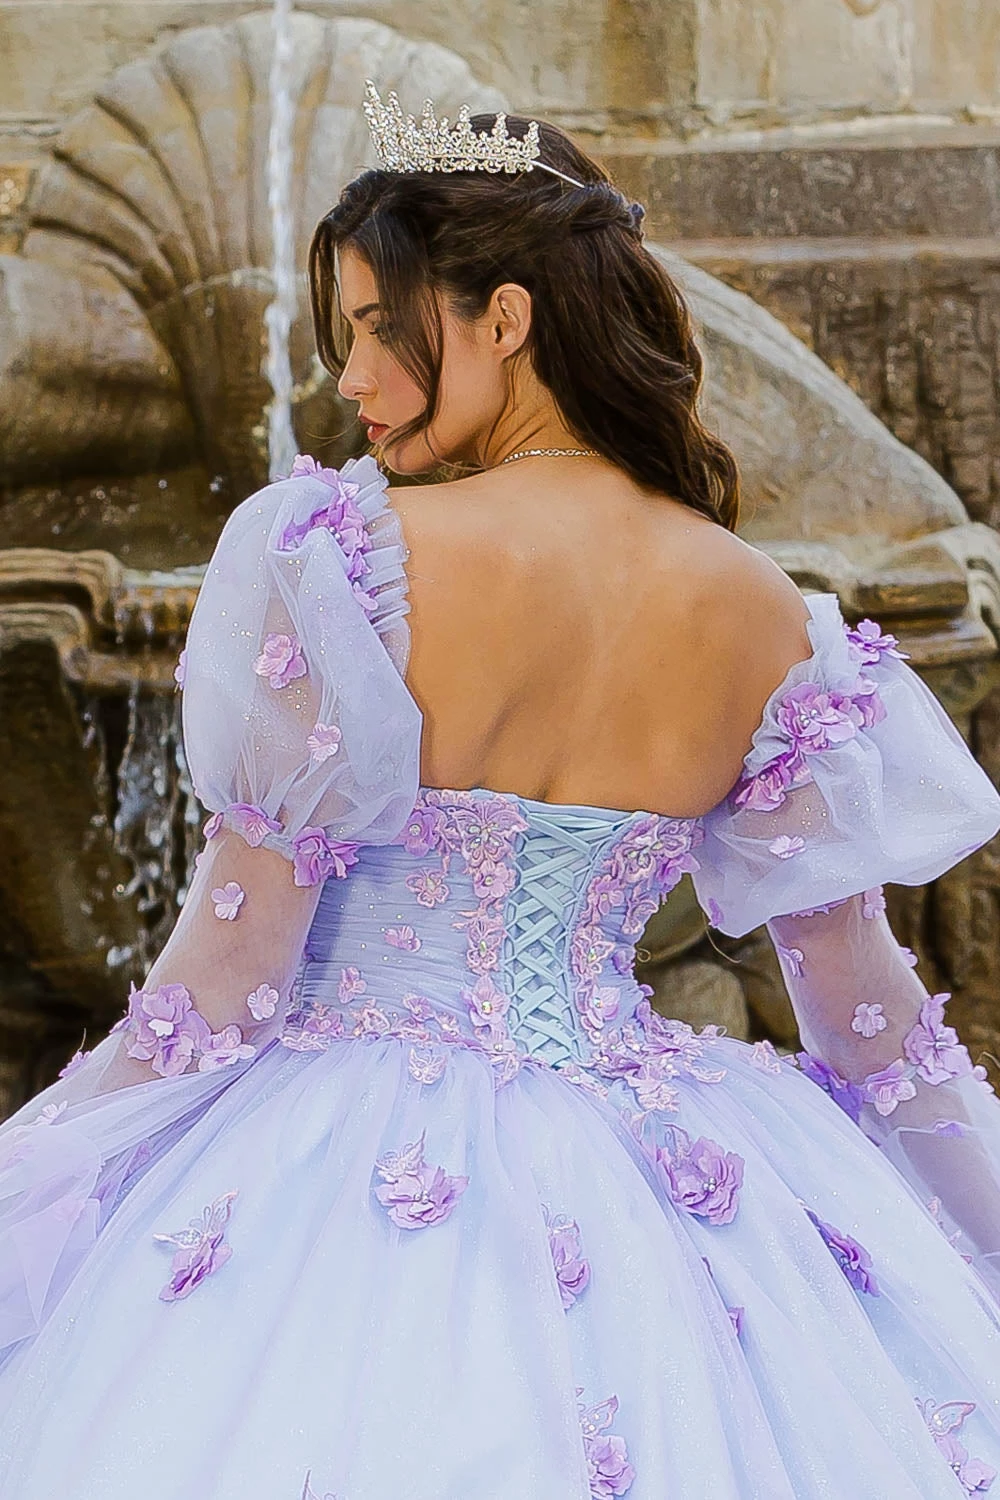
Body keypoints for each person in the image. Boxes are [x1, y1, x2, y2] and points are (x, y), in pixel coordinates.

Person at [0, 86, 998, 1500]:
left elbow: (225, 983)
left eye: (373, 327)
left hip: (331, 1173)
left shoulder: (339, 552)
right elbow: (864, 1017)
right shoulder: (769, 613)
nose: (351, 378)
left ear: (505, 320)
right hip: (666, 1195)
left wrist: (36, 1172)